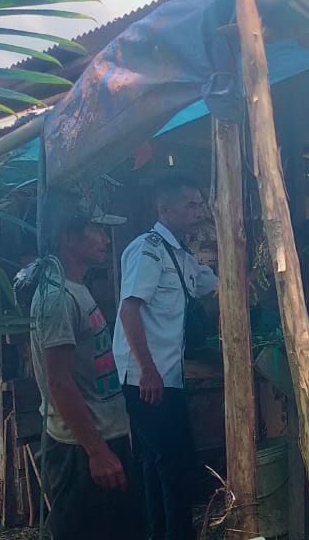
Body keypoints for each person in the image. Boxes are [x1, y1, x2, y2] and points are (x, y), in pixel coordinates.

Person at [28, 205, 143, 540]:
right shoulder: (57, 298)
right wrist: (97, 452)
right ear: (68, 238)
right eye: (98, 230)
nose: (106, 239)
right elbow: (59, 382)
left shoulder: (75, 288)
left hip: (101, 439)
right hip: (79, 450)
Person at [113, 175, 217, 540]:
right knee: (176, 464)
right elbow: (130, 311)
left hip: (166, 376)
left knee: (159, 464)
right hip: (147, 377)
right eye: (190, 204)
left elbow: (222, 286)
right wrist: (148, 370)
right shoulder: (148, 249)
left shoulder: (182, 257)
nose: (199, 212)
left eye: (201, 204)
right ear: (165, 209)